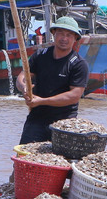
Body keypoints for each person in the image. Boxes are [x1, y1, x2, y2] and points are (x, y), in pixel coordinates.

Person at [15, 16, 89, 144]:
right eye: (60, 33)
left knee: (60, 161)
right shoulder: (40, 55)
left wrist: (42, 101)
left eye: (69, 35)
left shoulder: (79, 64)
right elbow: (21, 77)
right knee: (25, 156)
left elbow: (74, 96)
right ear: (54, 33)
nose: (64, 38)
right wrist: (24, 88)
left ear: (75, 39)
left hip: (64, 123)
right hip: (36, 119)